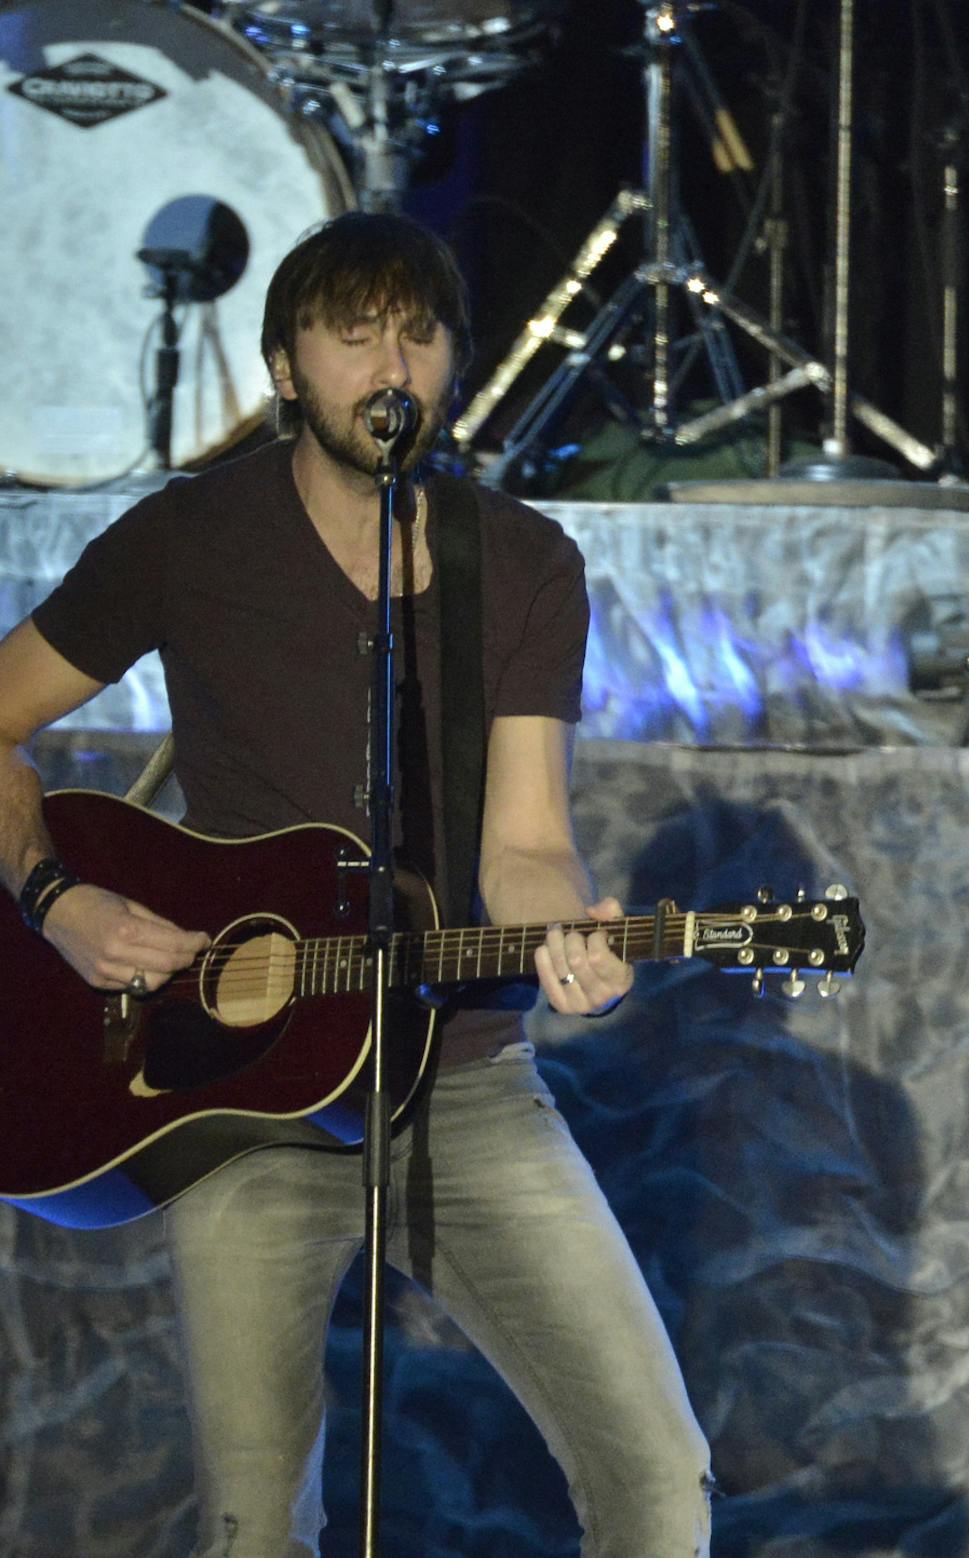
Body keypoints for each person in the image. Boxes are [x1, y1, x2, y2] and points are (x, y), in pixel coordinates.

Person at [0, 214, 713, 1556]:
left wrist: (571, 930)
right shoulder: (188, 539)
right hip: (235, 1091)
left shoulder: (522, 562)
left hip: (466, 1082)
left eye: (419, 331)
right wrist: (56, 899)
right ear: (285, 365)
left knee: (658, 1477)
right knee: (255, 1523)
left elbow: (525, 844)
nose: (390, 361)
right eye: (352, 331)